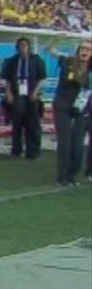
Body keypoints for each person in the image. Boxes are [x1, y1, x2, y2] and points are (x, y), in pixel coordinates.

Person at [49, 41, 91, 187]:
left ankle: (73, 173)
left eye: (88, 49)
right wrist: (56, 38)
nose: (85, 51)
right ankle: (63, 177)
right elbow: (50, 50)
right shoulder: (68, 61)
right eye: (83, 48)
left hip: (80, 107)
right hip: (62, 105)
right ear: (78, 50)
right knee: (65, 142)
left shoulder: (90, 68)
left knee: (78, 144)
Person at [1, 37, 47, 159]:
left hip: (32, 94)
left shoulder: (36, 60)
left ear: (29, 46)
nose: (23, 47)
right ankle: (16, 150)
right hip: (17, 94)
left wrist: (36, 92)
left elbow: (42, 78)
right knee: (18, 122)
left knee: (33, 123)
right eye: (21, 45)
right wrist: (9, 94)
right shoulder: (11, 61)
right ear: (17, 47)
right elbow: (6, 80)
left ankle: (33, 151)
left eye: (25, 45)